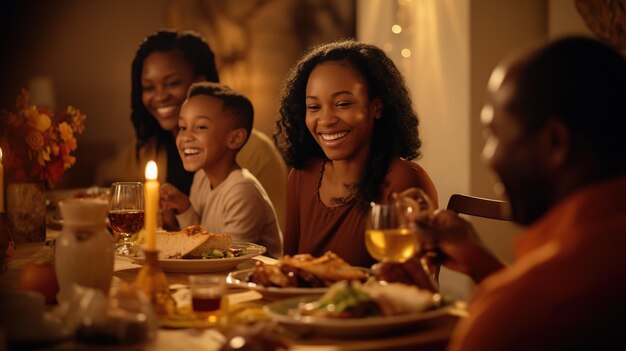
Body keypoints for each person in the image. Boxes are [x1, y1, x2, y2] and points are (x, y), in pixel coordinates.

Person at [394, 36, 626, 351]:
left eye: (494, 134)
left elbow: (517, 315)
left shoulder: (518, 316)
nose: (488, 156)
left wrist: (418, 315)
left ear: (555, 143)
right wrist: (480, 260)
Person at [96, 29, 287, 231]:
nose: (160, 96)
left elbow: (271, 241)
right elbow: (104, 179)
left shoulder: (258, 154)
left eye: (172, 83)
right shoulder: (150, 148)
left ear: (201, 82)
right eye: (149, 87)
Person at [274, 39, 438, 267]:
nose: (326, 120)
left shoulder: (403, 181)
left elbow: (414, 288)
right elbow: (287, 268)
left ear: (376, 107)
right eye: (314, 107)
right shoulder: (302, 175)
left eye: (342, 104)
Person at [160, 82, 282, 258]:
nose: (185, 137)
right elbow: (200, 240)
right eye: (182, 127)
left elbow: (224, 257)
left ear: (235, 138)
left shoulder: (242, 192)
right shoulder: (201, 177)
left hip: (250, 280)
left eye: (200, 127)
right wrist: (184, 208)